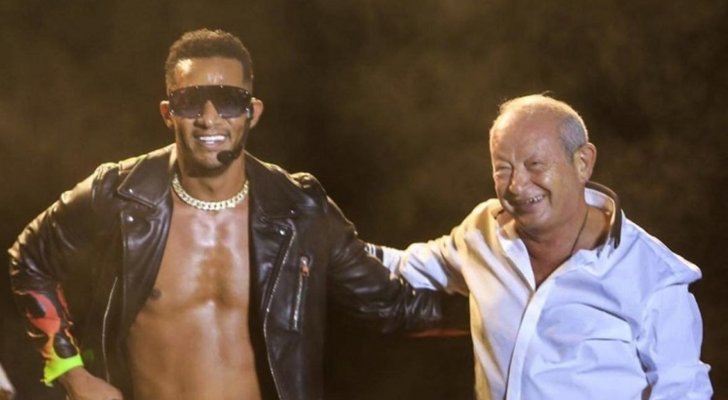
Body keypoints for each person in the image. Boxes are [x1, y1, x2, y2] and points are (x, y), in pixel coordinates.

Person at [8, 28, 446, 400]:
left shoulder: (300, 209)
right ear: (168, 114)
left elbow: (392, 305)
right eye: (191, 101)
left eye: (229, 101)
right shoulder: (118, 193)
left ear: (252, 113)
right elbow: (28, 260)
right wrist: (70, 372)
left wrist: (491, 293)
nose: (209, 118)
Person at [373, 94, 713, 399]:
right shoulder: (483, 231)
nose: (517, 185)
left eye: (535, 165)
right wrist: (339, 237)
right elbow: (400, 267)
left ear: (583, 163)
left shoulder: (654, 276)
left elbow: (685, 392)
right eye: (503, 169)